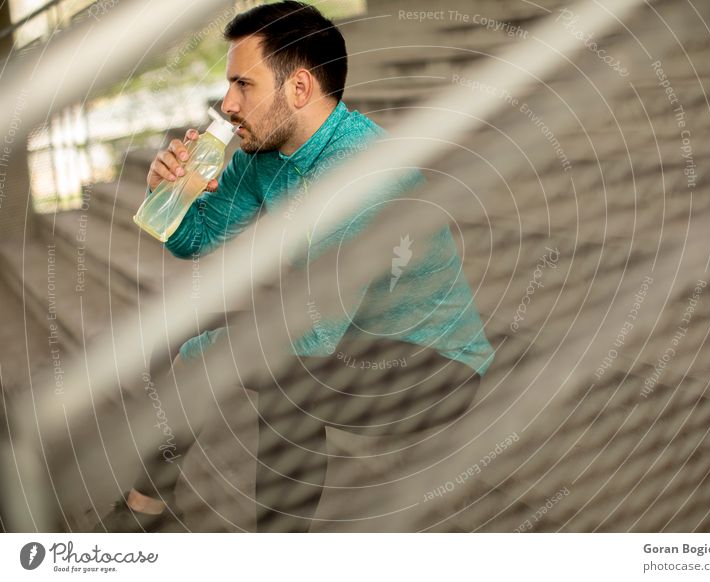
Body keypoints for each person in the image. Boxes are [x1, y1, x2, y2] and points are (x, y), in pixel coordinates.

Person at [95, 1, 493, 532]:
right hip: (349, 337)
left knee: (288, 377)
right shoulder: (265, 155)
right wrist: (171, 196)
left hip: (430, 370)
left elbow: (314, 337)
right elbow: (194, 241)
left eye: (244, 85)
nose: (227, 103)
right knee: (184, 343)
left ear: (299, 89)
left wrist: (210, 354)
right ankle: (144, 509)